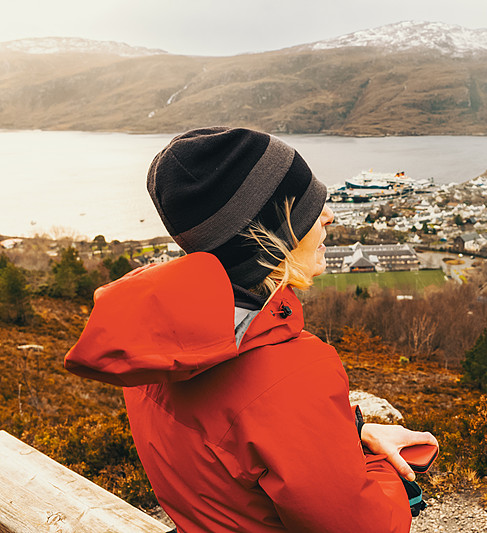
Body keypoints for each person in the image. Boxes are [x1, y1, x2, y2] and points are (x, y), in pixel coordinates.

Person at [64, 127, 437, 532]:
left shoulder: (151, 338)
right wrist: (385, 471)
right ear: (268, 237)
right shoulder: (293, 371)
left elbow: (239, 441)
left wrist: (353, 433)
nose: (328, 215)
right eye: (310, 208)